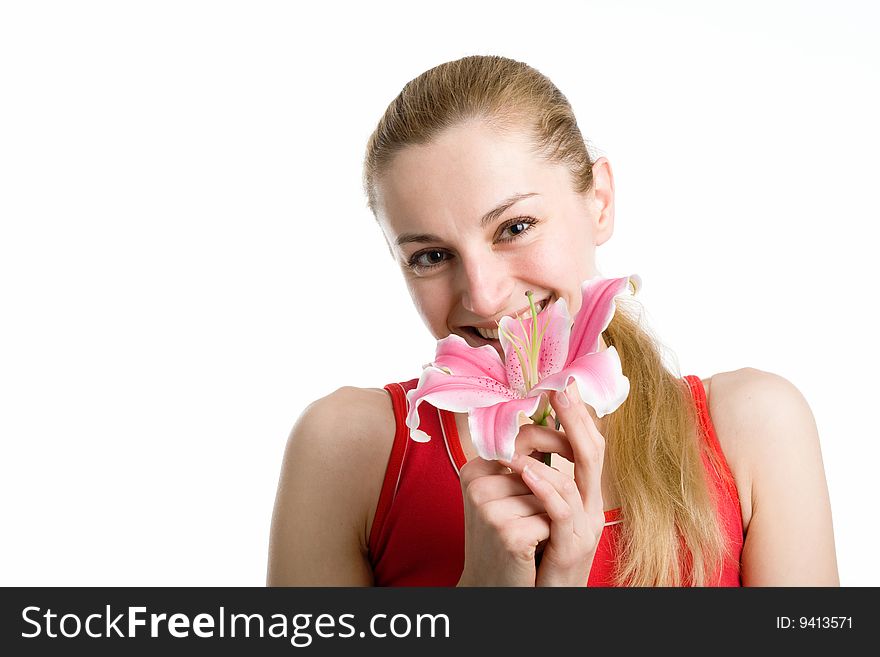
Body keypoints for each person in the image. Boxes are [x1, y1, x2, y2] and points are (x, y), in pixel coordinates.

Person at [266, 55, 839, 586]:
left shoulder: (754, 431)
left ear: (599, 202)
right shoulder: (348, 450)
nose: (486, 298)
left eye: (514, 227)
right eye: (431, 256)